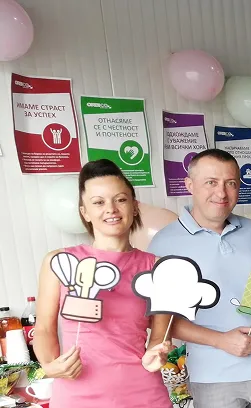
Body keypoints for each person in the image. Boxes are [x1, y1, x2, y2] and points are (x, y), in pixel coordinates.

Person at [148, 149, 251, 408]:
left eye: (231, 183)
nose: (222, 193)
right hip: (215, 380)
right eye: (211, 182)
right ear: (189, 185)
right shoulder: (165, 243)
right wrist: (221, 340)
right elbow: (161, 321)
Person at [33, 159, 172, 407]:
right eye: (98, 202)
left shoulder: (157, 267)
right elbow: (43, 329)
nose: (111, 209)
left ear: (134, 206)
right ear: (84, 212)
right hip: (77, 393)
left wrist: (157, 354)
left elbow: (159, 337)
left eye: (120, 199)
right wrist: (49, 365)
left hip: (143, 392)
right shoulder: (60, 262)